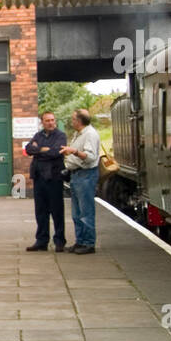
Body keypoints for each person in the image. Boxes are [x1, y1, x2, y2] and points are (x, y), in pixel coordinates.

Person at [23, 111, 67, 251]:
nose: (50, 122)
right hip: (39, 177)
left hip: (54, 177)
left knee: (57, 211)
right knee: (40, 211)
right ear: (42, 122)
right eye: (47, 120)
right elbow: (29, 149)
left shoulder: (61, 136)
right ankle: (41, 240)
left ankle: (59, 241)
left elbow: (55, 152)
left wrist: (39, 150)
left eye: (52, 120)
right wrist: (43, 149)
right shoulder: (38, 135)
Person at [61, 108, 101, 254]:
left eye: (73, 119)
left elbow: (90, 156)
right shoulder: (79, 134)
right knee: (77, 213)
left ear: (79, 121)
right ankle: (80, 241)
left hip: (86, 175)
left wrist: (74, 152)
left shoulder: (89, 134)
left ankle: (89, 243)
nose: (71, 121)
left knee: (86, 211)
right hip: (76, 175)